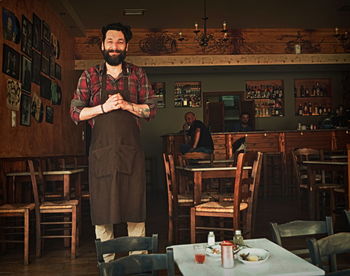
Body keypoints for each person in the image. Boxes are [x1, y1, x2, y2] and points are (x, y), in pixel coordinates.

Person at [70, 22, 156, 262]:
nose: (114, 46)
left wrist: (128, 105)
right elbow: (75, 113)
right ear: (102, 45)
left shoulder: (138, 74)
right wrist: (103, 108)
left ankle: (138, 260)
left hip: (131, 154)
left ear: (126, 46)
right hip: (102, 153)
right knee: (103, 210)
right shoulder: (89, 75)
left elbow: (152, 109)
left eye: (119, 42)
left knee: (135, 208)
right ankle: (107, 263)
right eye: (110, 41)